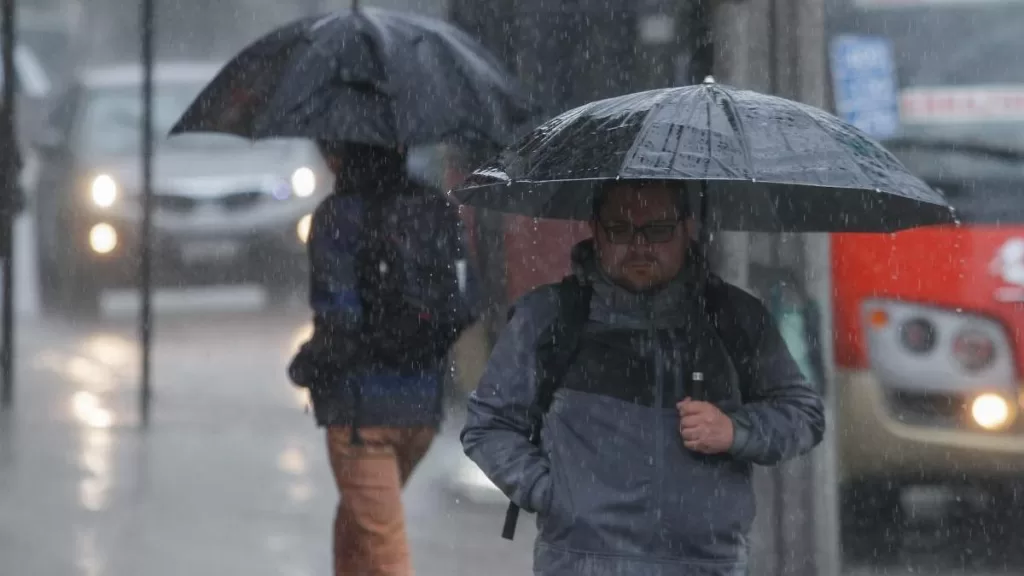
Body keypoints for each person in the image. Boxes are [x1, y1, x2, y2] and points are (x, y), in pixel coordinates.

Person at [461, 181, 826, 576]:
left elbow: (804, 413)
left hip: (705, 566)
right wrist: (554, 493)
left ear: (688, 228)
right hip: (582, 564)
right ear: (595, 229)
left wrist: (734, 430)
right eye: (620, 229)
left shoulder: (733, 318)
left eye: (657, 230)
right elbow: (488, 426)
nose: (639, 245)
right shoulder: (550, 317)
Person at [289, 140, 478, 576]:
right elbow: (466, 302)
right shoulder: (435, 207)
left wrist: (308, 366)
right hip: (421, 412)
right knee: (359, 531)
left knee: (382, 550)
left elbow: (339, 321)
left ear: (339, 152)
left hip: (361, 416)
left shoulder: (337, 216)